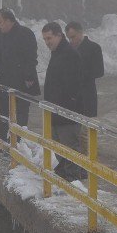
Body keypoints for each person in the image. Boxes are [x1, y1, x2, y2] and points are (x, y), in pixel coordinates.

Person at [41, 22, 86, 182]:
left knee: (69, 147)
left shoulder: (70, 54)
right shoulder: (57, 52)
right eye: (45, 39)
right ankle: (64, 172)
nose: (47, 42)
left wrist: (67, 108)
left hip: (67, 113)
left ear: (59, 35)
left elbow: (74, 86)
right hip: (55, 111)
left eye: (49, 38)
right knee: (58, 145)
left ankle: (73, 180)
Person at [0, 8, 39, 141]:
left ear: (8, 21)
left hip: (22, 82)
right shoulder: (1, 35)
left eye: (0, 22)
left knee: (20, 114)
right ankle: (3, 141)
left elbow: (31, 57)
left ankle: (18, 143)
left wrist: (28, 77)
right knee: (4, 112)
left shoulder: (25, 33)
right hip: (6, 81)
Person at [65, 21, 104, 118]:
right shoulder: (68, 49)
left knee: (88, 128)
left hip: (87, 95)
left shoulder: (94, 48)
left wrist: (79, 73)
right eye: (69, 38)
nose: (71, 40)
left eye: (73, 37)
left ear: (81, 32)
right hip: (71, 96)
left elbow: (99, 71)